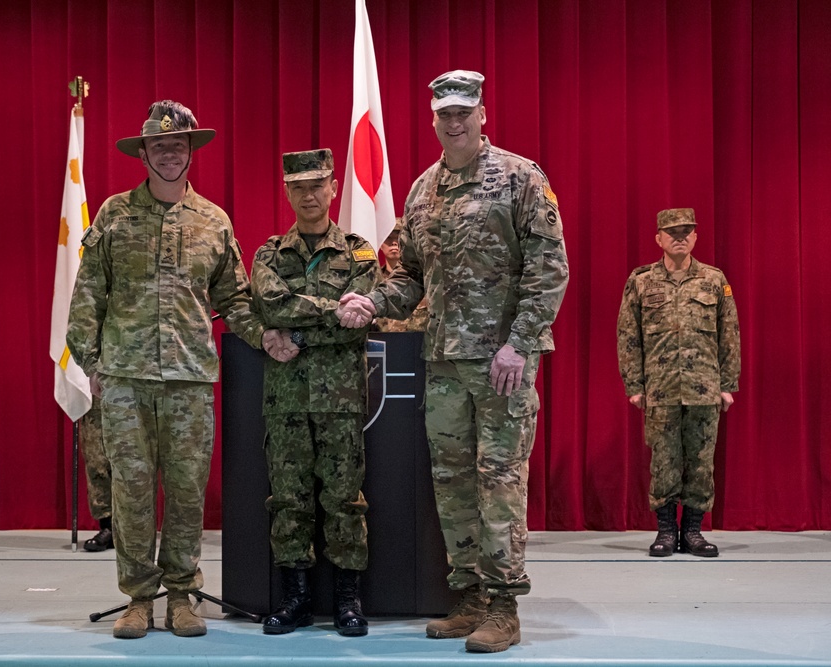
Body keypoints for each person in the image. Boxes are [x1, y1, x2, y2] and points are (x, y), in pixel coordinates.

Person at [337, 70, 569, 653]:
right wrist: (371, 300)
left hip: (501, 365)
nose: (455, 121)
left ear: (483, 113)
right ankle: (467, 597)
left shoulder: (521, 178)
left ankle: (504, 604)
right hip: (442, 365)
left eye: (464, 110)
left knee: (499, 482)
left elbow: (549, 269)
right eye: (445, 113)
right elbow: (409, 275)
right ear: (434, 118)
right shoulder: (423, 191)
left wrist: (520, 342)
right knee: (453, 484)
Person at [67, 100, 292, 640]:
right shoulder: (114, 215)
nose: (170, 154)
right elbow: (88, 294)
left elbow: (234, 297)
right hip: (125, 377)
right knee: (133, 491)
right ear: (143, 153)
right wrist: (93, 362)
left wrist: (262, 333)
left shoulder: (214, 221)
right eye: (159, 146)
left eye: (178, 145)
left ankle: (184, 595)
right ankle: (139, 598)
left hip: (190, 379)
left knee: (189, 491)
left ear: (190, 152)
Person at [250, 149, 380, 637]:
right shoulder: (268, 253)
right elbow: (270, 303)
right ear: (287, 192)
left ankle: (348, 598)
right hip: (285, 399)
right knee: (288, 499)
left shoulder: (360, 251)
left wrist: (298, 328)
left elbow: (358, 322)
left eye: (318, 185)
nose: (309, 195)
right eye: (299, 187)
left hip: (341, 399)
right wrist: (330, 311)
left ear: (334, 189)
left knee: (345, 499)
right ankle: (296, 598)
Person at [616, 208, 740, 558]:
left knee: (701, 462)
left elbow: (729, 335)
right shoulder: (641, 281)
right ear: (659, 238)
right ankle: (667, 532)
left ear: (696, 237)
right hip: (661, 388)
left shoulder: (714, 281)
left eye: (687, 231)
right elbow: (629, 336)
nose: (680, 237)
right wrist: (634, 385)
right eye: (672, 232)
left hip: (704, 386)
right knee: (664, 462)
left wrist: (727, 384)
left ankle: (694, 532)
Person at [373, 219, 428, 332]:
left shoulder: (424, 279)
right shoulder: (373, 281)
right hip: (385, 345)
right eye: (388, 238)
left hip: (421, 345)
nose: (394, 242)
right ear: (381, 243)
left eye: (398, 238)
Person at [78, 390, 113, 552]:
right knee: (97, 463)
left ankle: (133, 529)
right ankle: (107, 527)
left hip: (136, 389)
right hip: (97, 390)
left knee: (136, 466)